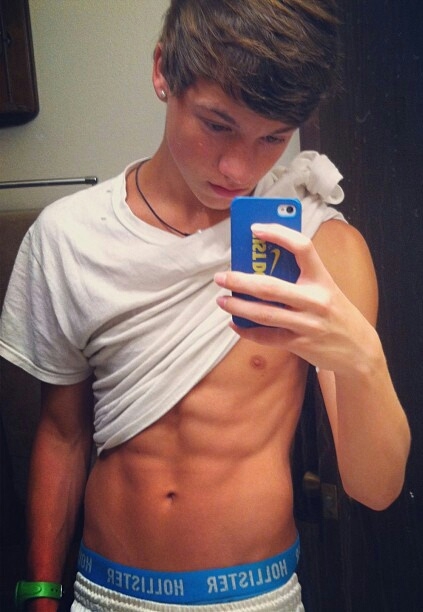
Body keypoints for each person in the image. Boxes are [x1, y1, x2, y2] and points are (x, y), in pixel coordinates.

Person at [0, 1, 410, 611]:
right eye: (217, 125)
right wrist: (39, 593)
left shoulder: (320, 246)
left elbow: (376, 489)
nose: (238, 168)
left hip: (256, 597)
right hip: (103, 592)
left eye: (272, 138)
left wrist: (363, 360)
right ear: (163, 70)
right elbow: (62, 433)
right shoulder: (68, 237)